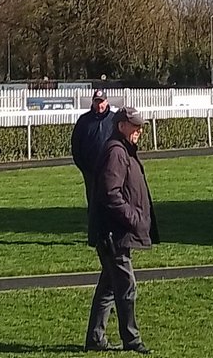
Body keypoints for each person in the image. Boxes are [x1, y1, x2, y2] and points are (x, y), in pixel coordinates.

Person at [85, 106, 158, 354]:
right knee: (127, 286)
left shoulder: (122, 150)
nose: (139, 130)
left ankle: (95, 338)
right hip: (113, 234)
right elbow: (110, 193)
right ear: (121, 126)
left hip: (115, 232)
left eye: (140, 126)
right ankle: (132, 339)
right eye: (134, 126)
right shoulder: (117, 152)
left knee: (108, 287)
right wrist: (133, 217)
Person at [72, 88, 117, 204]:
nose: (99, 105)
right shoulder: (83, 121)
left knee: (111, 201)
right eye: (96, 101)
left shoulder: (115, 120)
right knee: (93, 202)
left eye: (101, 102)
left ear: (106, 102)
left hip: (110, 170)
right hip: (90, 171)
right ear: (92, 102)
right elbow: (76, 145)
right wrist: (84, 168)